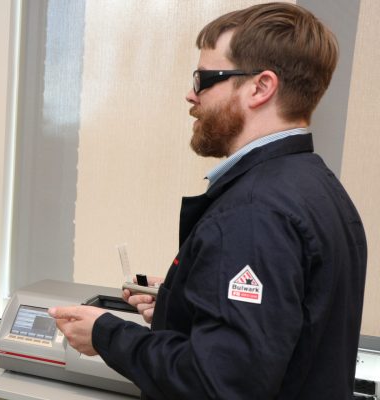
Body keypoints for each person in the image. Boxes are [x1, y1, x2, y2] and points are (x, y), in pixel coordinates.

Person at [49, 3, 367, 399]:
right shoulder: (318, 187)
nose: (190, 94)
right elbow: (280, 332)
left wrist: (107, 334)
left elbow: (218, 383)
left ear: (260, 87)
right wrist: (181, 300)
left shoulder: (254, 212)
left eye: (203, 78)